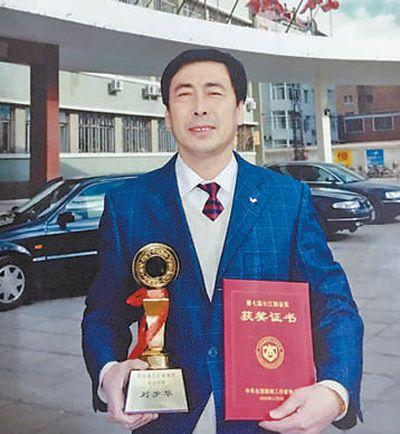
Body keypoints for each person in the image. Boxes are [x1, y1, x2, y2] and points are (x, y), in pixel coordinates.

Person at [82, 49, 363, 433]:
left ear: (240, 109)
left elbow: (333, 303)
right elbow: (104, 312)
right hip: (164, 421)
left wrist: (334, 390)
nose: (199, 107)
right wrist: (108, 370)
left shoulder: (287, 199)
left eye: (214, 92)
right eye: (184, 94)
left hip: (269, 419)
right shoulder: (128, 204)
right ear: (167, 115)